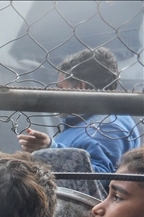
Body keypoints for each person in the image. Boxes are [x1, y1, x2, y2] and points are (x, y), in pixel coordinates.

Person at [18, 47, 140, 176]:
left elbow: (98, 180)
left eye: (61, 88)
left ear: (80, 87)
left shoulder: (106, 127)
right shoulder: (85, 122)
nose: (55, 94)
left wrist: (51, 150)